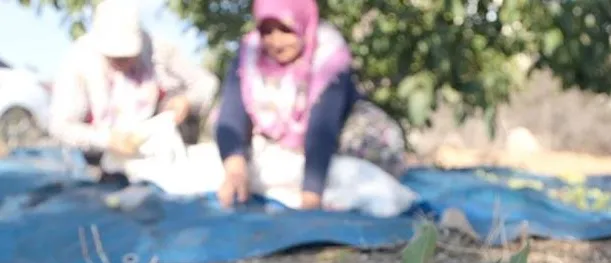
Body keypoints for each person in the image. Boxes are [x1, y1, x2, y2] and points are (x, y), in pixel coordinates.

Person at [214, 0, 408, 211]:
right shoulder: (249, 54)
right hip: (291, 144)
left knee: (361, 160)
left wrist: (310, 197)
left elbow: (322, 127)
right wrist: (235, 171)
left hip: (339, 138)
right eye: (267, 31)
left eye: (286, 30)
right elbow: (231, 114)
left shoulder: (329, 55)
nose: (276, 41)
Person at [47, 0, 219, 173]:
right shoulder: (78, 61)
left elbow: (207, 83)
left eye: (128, 56)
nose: (122, 62)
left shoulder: (158, 49)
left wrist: (187, 101)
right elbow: (61, 126)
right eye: (115, 57)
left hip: (158, 151)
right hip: (102, 156)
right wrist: (107, 140)